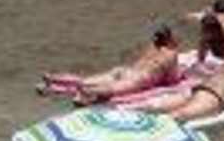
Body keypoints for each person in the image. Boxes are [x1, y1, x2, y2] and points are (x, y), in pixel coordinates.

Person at [39, 28, 181, 106]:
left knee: (84, 80)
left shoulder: (152, 46)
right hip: (138, 79)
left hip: (124, 71)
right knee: (109, 90)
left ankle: (53, 79)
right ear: (169, 39)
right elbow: (172, 80)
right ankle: (86, 92)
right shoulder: (171, 54)